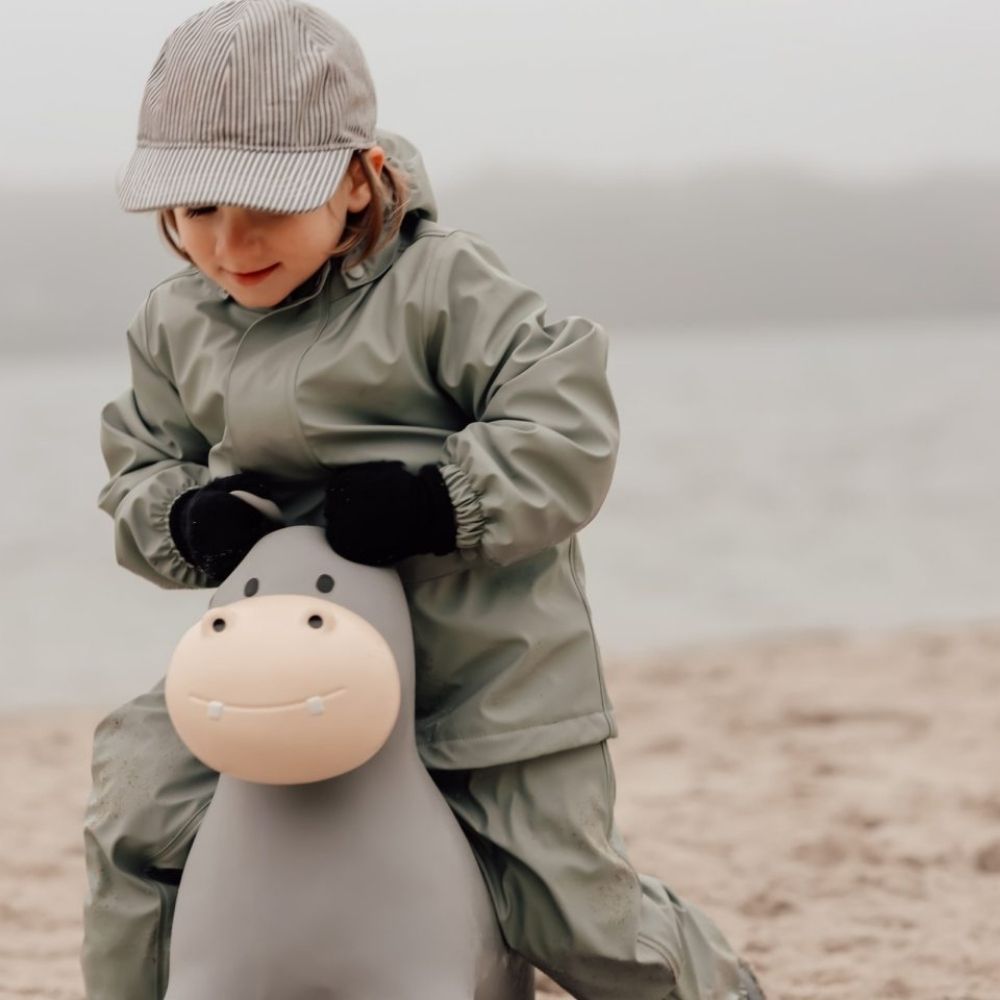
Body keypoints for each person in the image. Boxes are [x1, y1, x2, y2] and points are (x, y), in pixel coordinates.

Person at [82, 2, 765, 998]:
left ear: (357, 180)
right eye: (195, 211)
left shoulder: (444, 284)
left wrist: (443, 503)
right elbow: (138, 464)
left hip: (481, 666)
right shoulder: (174, 321)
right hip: (272, 668)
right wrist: (184, 519)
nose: (229, 242)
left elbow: (564, 420)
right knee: (137, 811)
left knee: (564, 902)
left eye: (265, 204)